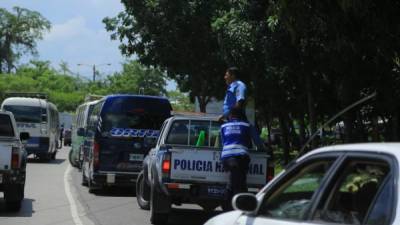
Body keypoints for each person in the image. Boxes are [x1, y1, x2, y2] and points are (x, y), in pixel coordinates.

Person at [220, 108, 251, 211]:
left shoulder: (223, 126)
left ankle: (235, 206)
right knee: (237, 184)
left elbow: (223, 142)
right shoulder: (246, 125)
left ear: (230, 116)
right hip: (240, 158)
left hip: (226, 158)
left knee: (238, 182)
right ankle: (229, 206)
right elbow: (251, 142)